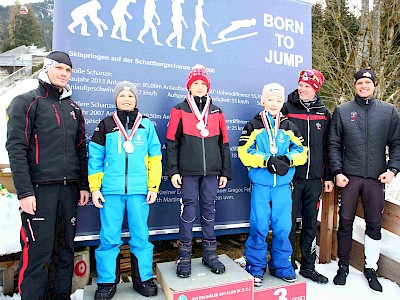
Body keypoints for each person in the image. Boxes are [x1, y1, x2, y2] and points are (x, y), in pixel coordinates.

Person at [6, 51, 89, 300]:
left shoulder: (74, 109)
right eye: (59, 68)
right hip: (39, 192)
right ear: (47, 68)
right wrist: (25, 191)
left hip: (69, 192)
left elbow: (80, 151)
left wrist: (83, 186)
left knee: (64, 252)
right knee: (37, 254)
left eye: (68, 70)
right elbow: (16, 148)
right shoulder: (26, 102)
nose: (64, 74)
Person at [88, 81, 162, 299]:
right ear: (116, 100)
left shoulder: (146, 125)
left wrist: (153, 186)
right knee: (109, 237)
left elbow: (155, 158)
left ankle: (143, 279)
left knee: (141, 236)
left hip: (139, 190)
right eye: (122, 96)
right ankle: (107, 282)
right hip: (111, 190)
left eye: (130, 96)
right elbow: (95, 159)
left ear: (136, 100)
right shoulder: (105, 124)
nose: (126, 99)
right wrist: (95, 188)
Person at [329, 69, 400, 292]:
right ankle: (343, 266)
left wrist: (393, 169)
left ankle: (371, 268)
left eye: (367, 82)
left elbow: (397, 143)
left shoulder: (388, 111)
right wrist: (337, 171)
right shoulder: (342, 110)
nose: (363, 86)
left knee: (374, 224)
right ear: (355, 86)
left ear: (374, 85)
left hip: (375, 179)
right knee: (346, 222)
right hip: (349, 177)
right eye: (360, 82)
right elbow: (334, 144)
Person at [238, 83, 308, 286]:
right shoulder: (253, 125)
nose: (274, 103)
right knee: (259, 227)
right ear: (263, 101)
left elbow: (302, 151)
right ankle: (255, 267)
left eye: (278, 100)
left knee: (283, 227)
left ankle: (281, 266)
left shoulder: (289, 126)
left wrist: (287, 160)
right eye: (270, 99)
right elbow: (244, 152)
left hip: (283, 188)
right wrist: (266, 161)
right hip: (261, 185)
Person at [166, 64, 232, 278]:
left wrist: (225, 172)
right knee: (188, 211)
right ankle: (184, 255)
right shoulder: (179, 109)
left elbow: (224, 144)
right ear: (189, 86)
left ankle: (210, 254)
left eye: (203, 83)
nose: (200, 87)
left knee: (209, 209)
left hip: (212, 172)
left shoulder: (217, 111)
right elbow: (171, 142)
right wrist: (173, 170)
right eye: (196, 83)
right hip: (188, 171)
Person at [282, 69, 334, 284]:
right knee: (289, 222)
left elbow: (330, 147)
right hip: (292, 177)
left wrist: (328, 176)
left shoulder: (324, 112)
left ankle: (308, 265)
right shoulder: (287, 108)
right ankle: (287, 261)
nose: (303, 89)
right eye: (301, 85)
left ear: (316, 88)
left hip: (315, 179)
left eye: (308, 86)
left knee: (311, 223)